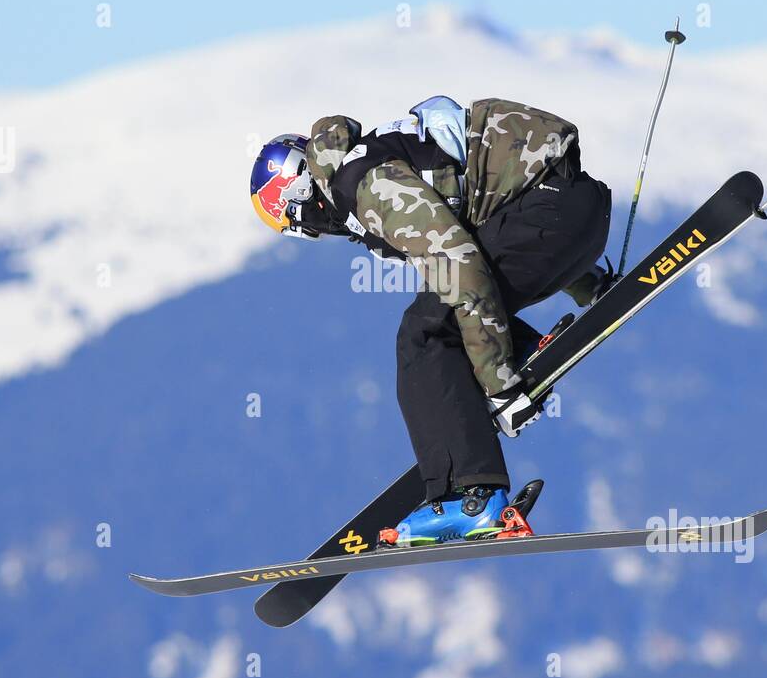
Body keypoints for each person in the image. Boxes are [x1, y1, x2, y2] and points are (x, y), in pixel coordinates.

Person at [249, 96, 611, 545]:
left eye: (298, 222)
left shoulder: (363, 182)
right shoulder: (375, 161)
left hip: (552, 213)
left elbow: (456, 261)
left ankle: (470, 497)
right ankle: (524, 352)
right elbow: (500, 217)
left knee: (422, 335)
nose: (315, 233)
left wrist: (498, 384)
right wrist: (587, 281)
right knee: (446, 314)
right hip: (573, 216)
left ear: (302, 192)